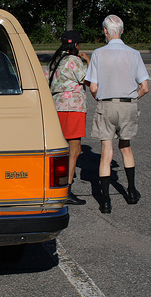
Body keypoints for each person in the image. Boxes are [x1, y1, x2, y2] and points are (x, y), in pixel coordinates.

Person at [84, 15, 149, 214]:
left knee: (106, 151)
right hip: (128, 104)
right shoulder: (134, 53)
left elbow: (93, 86)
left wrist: (100, 97)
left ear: (105, 31)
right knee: (126, 147)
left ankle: (105, 201)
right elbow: (145, 87)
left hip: (106, 103)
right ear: (122, 30)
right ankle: (130, 191)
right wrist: (133, 97)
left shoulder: (98, 54)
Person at [47, 30, 90, 205]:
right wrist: (88, 61)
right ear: (76, 45)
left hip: (57, 106)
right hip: (73, 107)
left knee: (61, 147)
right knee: (75, 149)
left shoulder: (56, 60)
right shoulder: (74, 61)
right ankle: (67, 189)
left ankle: (56, 183)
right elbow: (88, 79)